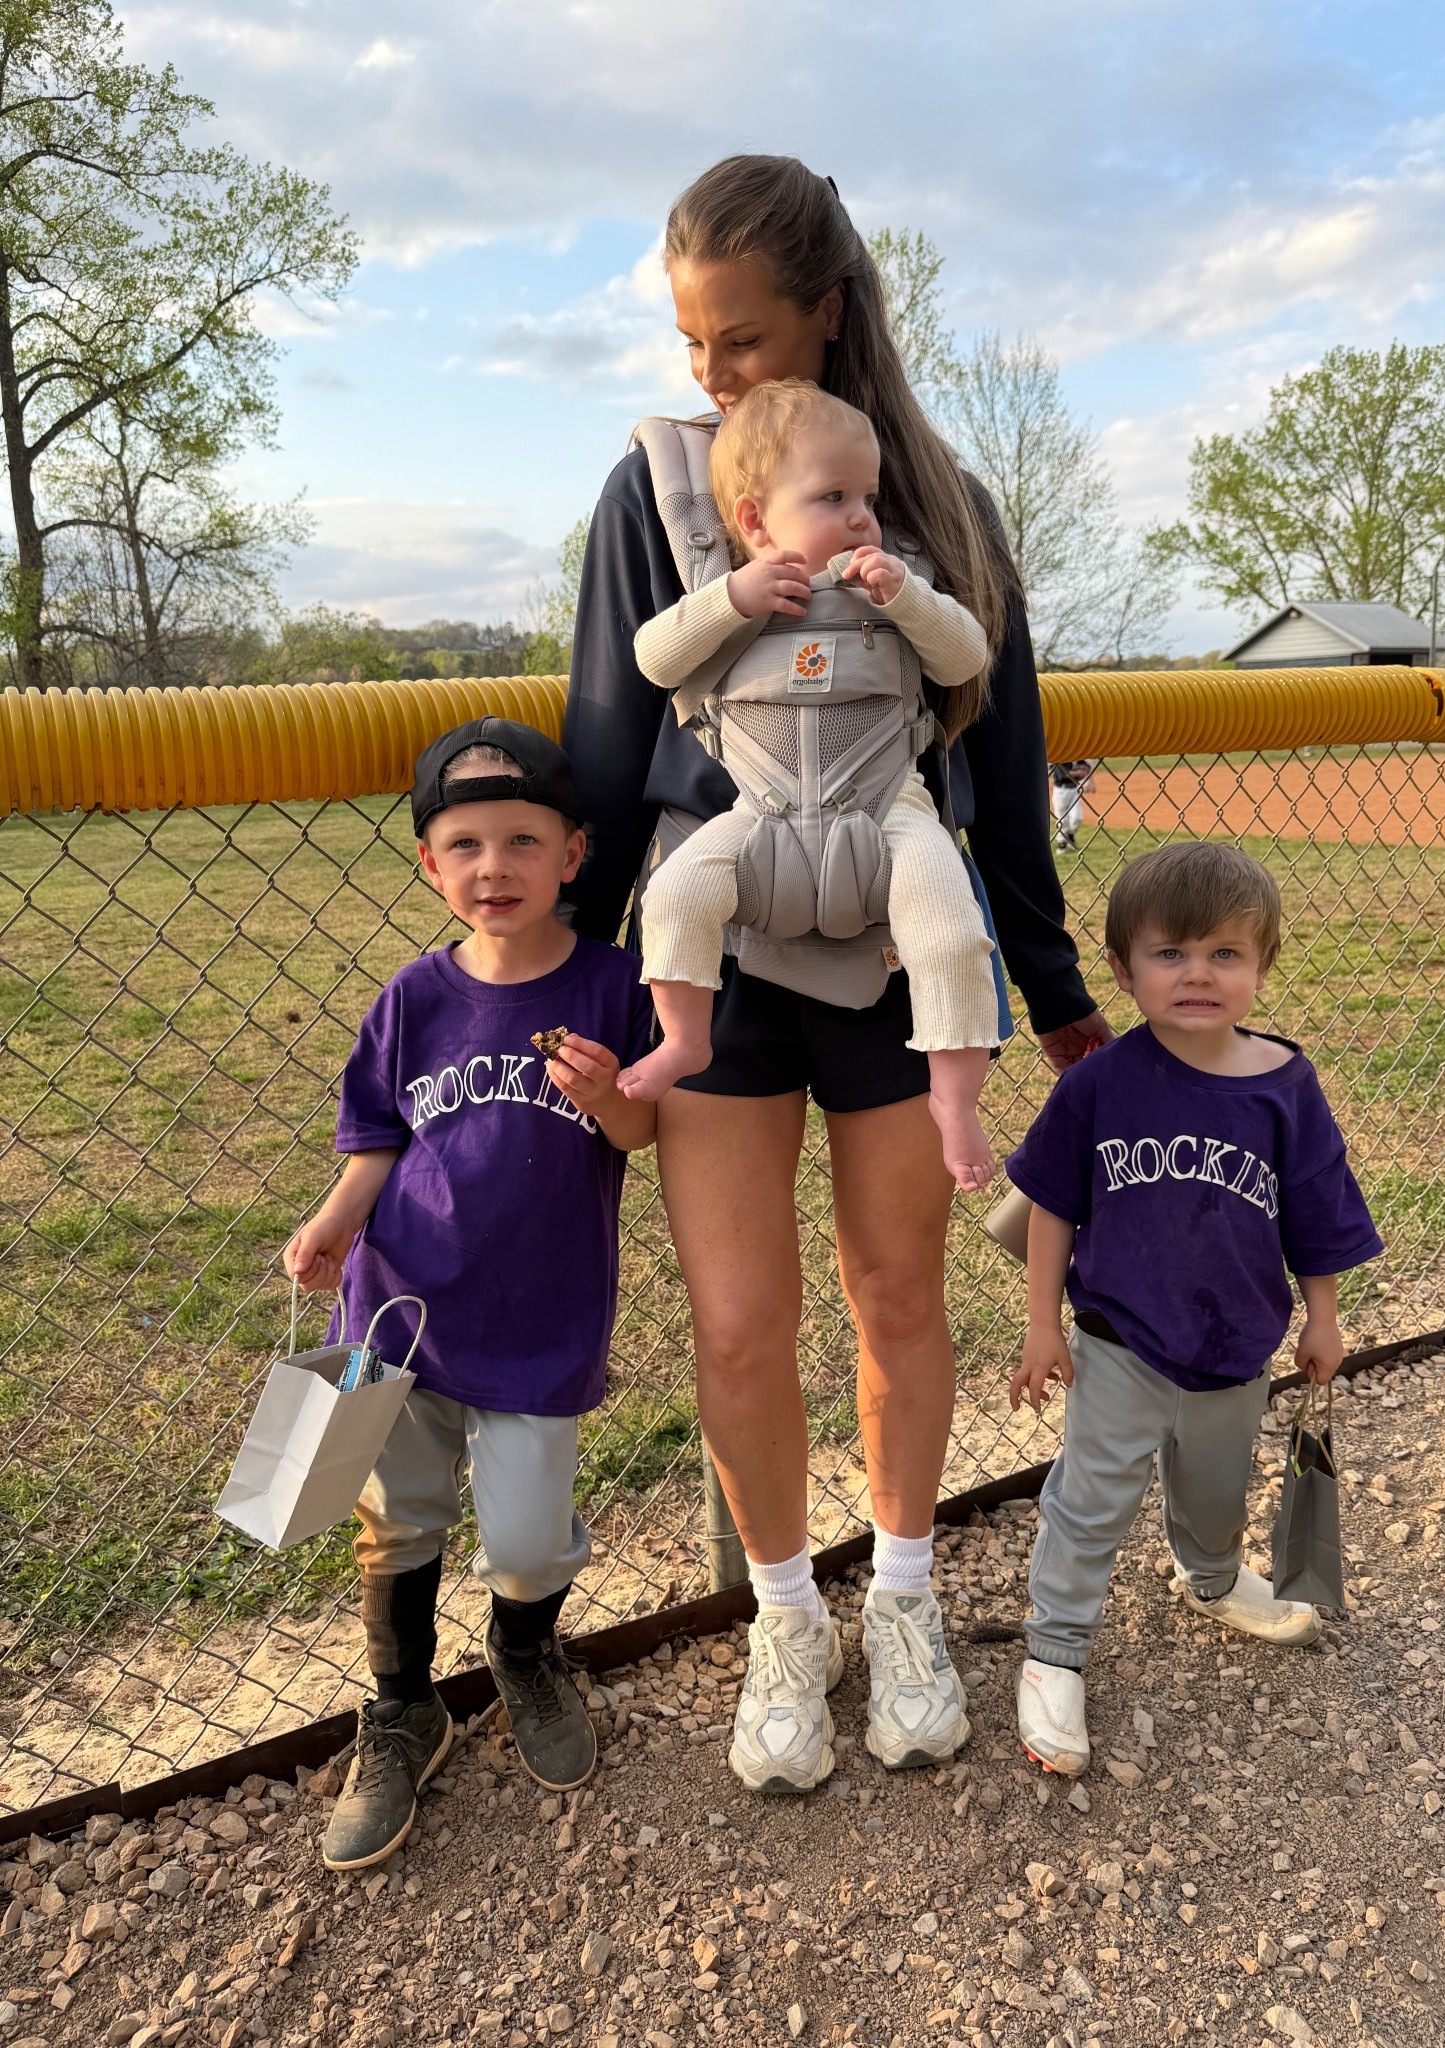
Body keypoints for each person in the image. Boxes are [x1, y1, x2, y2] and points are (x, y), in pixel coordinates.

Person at [562, 154, 1111, 1794]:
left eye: (735, 337)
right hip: (719, 945)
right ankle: (786, 1615)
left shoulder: (940, 511)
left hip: (889, 941)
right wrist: (573, 987)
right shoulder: (653, 490)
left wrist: (1055, 984)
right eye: (689, 337)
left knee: (897, 1291)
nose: (706, 370)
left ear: (827, 308)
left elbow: (1003, 778)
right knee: (737, 1322)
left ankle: (912, 1594)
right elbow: (605, 746)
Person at [284, 718, 655, 1869]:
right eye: (465, 844)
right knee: (394, 1518)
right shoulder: (412, 997)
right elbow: (376, 1140)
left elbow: (647, 1129)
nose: (494, 867)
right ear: (430, 864)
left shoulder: (613, 986)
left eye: (522, 840)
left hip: (541, 1316)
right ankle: (402, 1704)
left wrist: (608, 1096)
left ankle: (523, 1650)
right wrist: (334, 1222)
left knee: (533, 1536)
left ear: (574, 855)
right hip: (399, 1309)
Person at [1003, 842, 1382, 1776]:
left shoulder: (1286, 1088)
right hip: (1119, 1340)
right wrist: (1042, 1324)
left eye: (1224, 953)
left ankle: (1209, 1578)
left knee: (1215, 1496)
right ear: (1125, 969)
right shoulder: (1099, 1080)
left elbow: (1318, 1213)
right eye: (1169, 953)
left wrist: (1322, 1318)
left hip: (1237, 1348)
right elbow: (1051, 1205)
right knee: (1089, 1502)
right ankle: (1053, 1651)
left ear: (1263, 966)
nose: (1198, 974)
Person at [620, 377, 1000, 1191]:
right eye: (834, 496)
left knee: (948, 923)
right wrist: (731, 600)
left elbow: (966, 659)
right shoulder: (729, 596)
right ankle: (683, 1038)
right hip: (759, 814)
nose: (863, 515)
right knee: (675, 895)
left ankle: (955, 1095)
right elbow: (654, 660)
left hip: (887, 807)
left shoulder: (893, 586)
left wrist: (909, 598)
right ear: (755, 520)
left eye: (867, 495)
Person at [1049, 759, 1096, 850]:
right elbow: (1064, 774)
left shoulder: (1078, 757)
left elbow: (1087, 769)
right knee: (1062, 819)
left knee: (1077, 817)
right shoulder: (1061, 758)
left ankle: (1070, 834)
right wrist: (1079, 773)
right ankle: (1062, 844)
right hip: (1060, 791)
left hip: (1075, 790)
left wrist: (1090, 783)